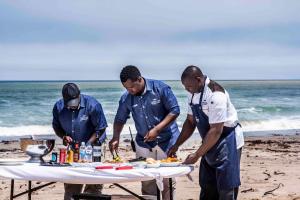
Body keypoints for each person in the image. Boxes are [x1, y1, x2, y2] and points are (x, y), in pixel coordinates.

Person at [168, 65, 244, 200]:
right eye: (185, 87)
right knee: (207, 185)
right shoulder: (193, 92)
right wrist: (176, 144)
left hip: (227, 139)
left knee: (226, 187)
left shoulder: (216, 95)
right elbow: (190, 122)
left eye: (189, 87)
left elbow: (216, 130)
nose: (187, 90)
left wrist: (197, 154)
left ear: (199, 80)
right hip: (210, 140)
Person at [109, 65, 180, 199]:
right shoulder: (126, 98)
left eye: (132, 87)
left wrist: (157, 129)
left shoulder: (161, 88)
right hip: (144, 143)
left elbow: (175, 111)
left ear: (139, 79)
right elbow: (119, 119)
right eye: (126, 88)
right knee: (147, 180)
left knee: (167, 180)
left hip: (167, 140)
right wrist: (116, 137)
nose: (130, 90)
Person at [52, 83, 108, 200]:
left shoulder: (93, 105)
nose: (72, 106)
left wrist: (87, 145)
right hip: (73, 149)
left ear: (79, 95)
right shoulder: (58, 107)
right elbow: (57, 127)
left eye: (75, 102)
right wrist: (64, 137)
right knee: (72, 182)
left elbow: (101, 128)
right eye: (69, 104)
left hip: (94, 147)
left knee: (93, 184)